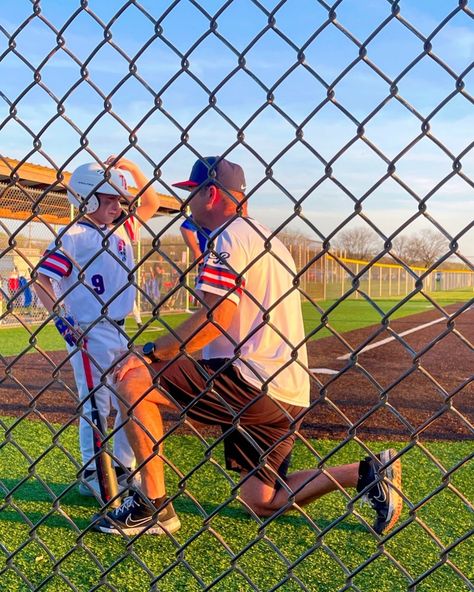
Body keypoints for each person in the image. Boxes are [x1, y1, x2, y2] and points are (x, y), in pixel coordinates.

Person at [92, 156, 402, 537]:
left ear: (211, 193)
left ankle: (153, 506)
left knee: (133, 380)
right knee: (261, 499)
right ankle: (368, 473)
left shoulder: (230, 235)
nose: (187, 204)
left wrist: (152, 351)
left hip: (251, 378)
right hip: (288, 391)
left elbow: (214, 318)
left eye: (191, 194)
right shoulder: (263, 236)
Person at [33, 157, 161, 498]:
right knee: (97, 402)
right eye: (109, 198)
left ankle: (120, 465)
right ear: (87, 197)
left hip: (119, 328)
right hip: (89, 329)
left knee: (127, 399)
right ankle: (95, 471)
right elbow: (41, 279)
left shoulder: (121, 229)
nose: (117, 205)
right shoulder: (74, 236)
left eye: (119, 198)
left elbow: (152, 202)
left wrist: (132, 169)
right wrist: (63, 321)